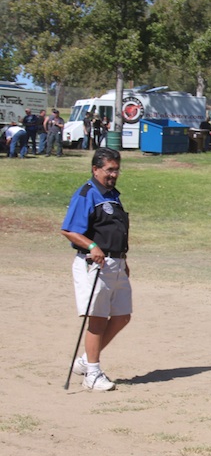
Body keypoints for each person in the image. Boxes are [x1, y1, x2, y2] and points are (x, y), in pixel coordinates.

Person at [61, 147, 132, 391]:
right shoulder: (86, 194)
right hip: (95, 264)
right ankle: (92, 373)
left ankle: (85, 360)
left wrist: (124, 259)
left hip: (117, 263)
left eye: (116, 169)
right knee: (98, 319)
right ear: (95, 169)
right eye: (109, 170)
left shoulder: (112, 194)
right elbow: (69, 229)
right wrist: (92, 245)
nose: (113, 174)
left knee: (122, 316)